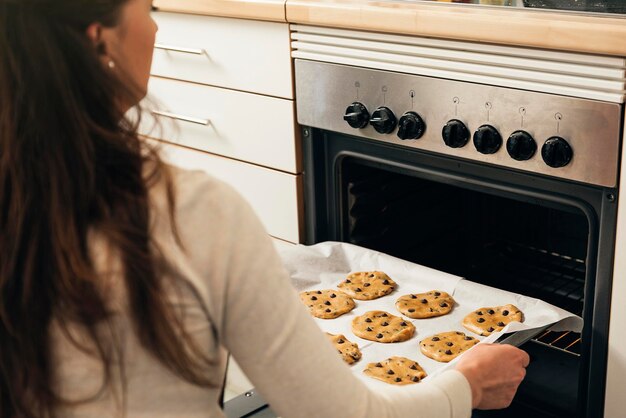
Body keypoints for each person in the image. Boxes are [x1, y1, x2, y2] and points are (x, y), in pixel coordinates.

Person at [0, 1, 530, 417]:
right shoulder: (191, 214)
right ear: (99, 42)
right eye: (149, 9)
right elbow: (343, 414)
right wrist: (470, 384)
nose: (157, 30)